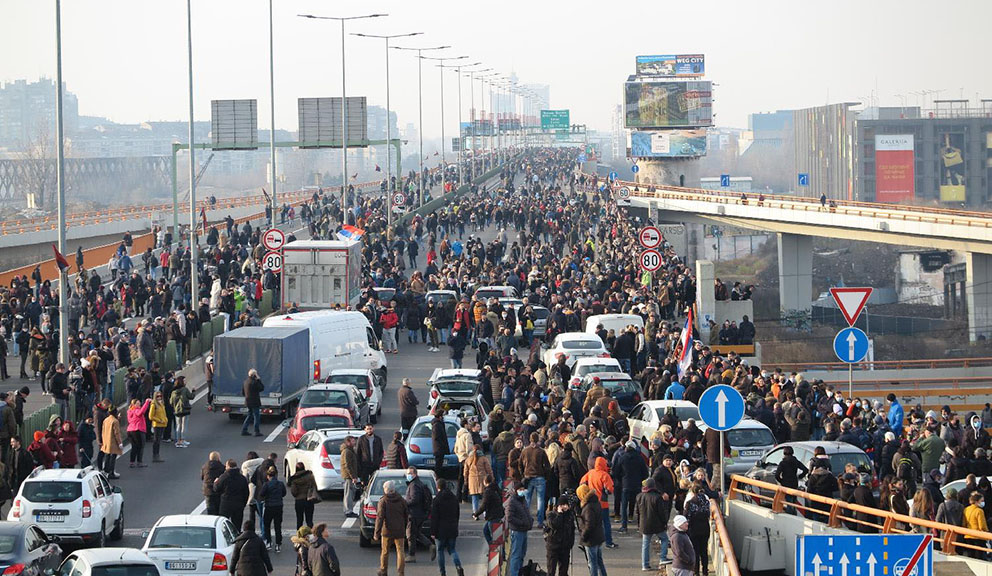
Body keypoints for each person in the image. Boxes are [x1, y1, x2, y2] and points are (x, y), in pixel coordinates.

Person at [580, 456, 617, 548]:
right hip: (603, 503)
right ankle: (608, 542)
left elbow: (582, 483)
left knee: (593, 523)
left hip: (591, 502)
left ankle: (593, 541)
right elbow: (610, 490)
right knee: (606, 523)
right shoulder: (605, 475)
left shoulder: (590, 473)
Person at [431, 479, 465, 576]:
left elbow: (434, 517)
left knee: (440, 550)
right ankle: (458, 566)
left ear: (438, 487)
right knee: (452, 550)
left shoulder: (437, 500)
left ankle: (443, 572)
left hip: (440, 530)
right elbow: (457, 514)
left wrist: (433, 532)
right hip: (452, 528)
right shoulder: (453, 498)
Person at [375, 480, 408, 576]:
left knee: (385, 551)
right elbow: (406, 514)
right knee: (400, 551)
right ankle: (401, 572)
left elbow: (380, 518)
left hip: (387, 530)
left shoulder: (383, 501)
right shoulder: (401, 500)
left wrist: (376, 533)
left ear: (385, 490)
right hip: (399, 530)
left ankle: (383, 570)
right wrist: (404, 526)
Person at [617, 440, 649, 533]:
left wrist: (622, 480)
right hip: (637, 485)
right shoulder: (640, 458)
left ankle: (624, 526)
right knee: (639, 506)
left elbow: (616, 472)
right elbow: (645, 473)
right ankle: (640, 526)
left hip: (625, 484)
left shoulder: (622, 458)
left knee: (624, 506)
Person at [638, 478, 669, 571]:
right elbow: (661, 513)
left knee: (645, 544)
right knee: (664, 539)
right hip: (657, 524)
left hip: (644, 524)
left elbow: (638, 511)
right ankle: (663, 558)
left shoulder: (639, 496)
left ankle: (645, 564)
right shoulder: (657, 497)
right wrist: (665, 523)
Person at [404, 467, 434, 563]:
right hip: (420, 514)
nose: (408, 475)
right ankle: (430, 545)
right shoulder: (418, 484)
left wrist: (405, 503)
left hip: (414, 514)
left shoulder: (414, 485)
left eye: (410, 473)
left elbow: (414, 499)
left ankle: (411, 555)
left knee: (410, 534)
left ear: (415, 474)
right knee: (416, 533)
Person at [577, 484, 608, 576]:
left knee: (592, 563)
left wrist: (583, 536)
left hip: (591, 539)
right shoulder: (595, 502)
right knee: (599, 561)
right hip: (598, 536)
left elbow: (589, 524)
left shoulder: (588, 507)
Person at [521, 431, 551, 527]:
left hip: (528, 477)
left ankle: (526, 520)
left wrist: (523, 474)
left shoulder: (525, 451)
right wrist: (546, 476)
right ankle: (540, 521)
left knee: (527, 500)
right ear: (538, 440)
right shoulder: (541, 451)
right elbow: (547, 466)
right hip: (540, 477)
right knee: (540, 500)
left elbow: (520, 464)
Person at [505, 481, 534, 576]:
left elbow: (525, 512)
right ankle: (515, 573)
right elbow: (509, 517)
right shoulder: (512, 501)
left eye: (523, 489)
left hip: (524, 530)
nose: (522, 491)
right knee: (516, 555)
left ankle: (519, 572)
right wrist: (522, 523)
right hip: (517, 531)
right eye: (520, 490)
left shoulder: (522, 499)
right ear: (516, 490)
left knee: (522, 554)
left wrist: (530, 520)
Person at [544, 493, 576, 576]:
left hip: (565, 547)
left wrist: (570, 543)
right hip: (553, 547)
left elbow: (572, 530)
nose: (565, 507)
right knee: (551, 571)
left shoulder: (570, 515)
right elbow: (554, 525)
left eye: (566, 505)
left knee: (564, 571)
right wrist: (560, 514)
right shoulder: (551, 514)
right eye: (562, 505)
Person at [215, 459, 250, 531]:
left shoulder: (224, 477)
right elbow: (246, 492)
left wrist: (215, 483)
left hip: (226, 504)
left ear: (228, 466)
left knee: (223, 524)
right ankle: (237, 540)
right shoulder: (242, 478)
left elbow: (217, 489)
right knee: (237, 526)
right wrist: (243, 503)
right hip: (238, 504)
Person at [685, 484, 711, 576]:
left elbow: (687, 517)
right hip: (705, 528)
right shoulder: (706, 502)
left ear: (692, 492)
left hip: (694, 529)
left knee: (695, 551)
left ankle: (696, 571)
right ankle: (705, 571)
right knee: (704, 550)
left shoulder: (690, 503)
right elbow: (708, 514)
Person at [258, 466, 286, 552]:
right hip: (278, 506)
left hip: (269, 506)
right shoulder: (280, 484)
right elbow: (284, 493)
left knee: (267, 525)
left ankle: (269, 542)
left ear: (268, 476)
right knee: (278, 526)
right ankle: (278, 544)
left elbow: (261, 494)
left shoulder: (266, 484)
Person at [473, 475, 504, 545]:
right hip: (498, 513)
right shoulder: (495, 488)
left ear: (485, 482)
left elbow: (484, 505)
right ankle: (493, 548)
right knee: (486, 530)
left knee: (494, 536)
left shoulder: (488, 491)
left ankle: (495, 550)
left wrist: (476, 514)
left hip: (493, 516)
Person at [288, 462, 319, 529]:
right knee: (309, 520)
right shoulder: (310, 475)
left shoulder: (294, 479)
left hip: (299, 501)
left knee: (299, 520)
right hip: (309, 499)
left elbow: (294, 492)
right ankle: (310, 534)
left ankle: (300, 534)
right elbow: (315, 486)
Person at [464, 443, 492, 512]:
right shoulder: (483, 458)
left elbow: (465, 471)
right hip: (483, 479)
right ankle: (485, 513)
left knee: (474, 497)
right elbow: (488, 469)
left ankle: (475, 513)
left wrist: (466, 480)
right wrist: (492, 478)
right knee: (484, 498)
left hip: (472, 479)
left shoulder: (468, 459)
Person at [126, 398, 151, 468]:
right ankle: (139, 462)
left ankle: (132, 462)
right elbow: (141, 413)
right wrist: (147, 403)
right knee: (141, 446)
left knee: (134, 447)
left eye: (139, 403)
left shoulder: (129, 411)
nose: (139, 404)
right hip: (138, 430)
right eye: (137, 403)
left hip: (130, 430)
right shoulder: (136, 410)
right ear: (133, 404)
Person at [962, 492, 988, 559]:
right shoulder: (979, 511)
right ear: (976, 502)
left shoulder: (966, 509)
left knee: (970, 556)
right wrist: (987, 532)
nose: (983, 502)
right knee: (979, 556)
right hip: (978, 537)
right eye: (981, 501)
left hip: (968, 535)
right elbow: (982, 526)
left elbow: (964, 523)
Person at [100, 405, 123, 479]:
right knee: (113, 457)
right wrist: (120, 443)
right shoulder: (115, 421)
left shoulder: (106, 420)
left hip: (106, 441)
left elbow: (103, 431)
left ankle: (106, 470)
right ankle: (111, 472)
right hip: (113, 442)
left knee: (107, 456)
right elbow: (117, 433)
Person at [340, 435, 359, 518]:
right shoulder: (347, 451)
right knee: (348, 493)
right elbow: (347, 465)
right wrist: (353, 477)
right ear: (348, 442)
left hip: (350, 476)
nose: (354, 442)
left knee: (350, 493)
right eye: (352, 441)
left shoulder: (350, 450)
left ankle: (348, 509)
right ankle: (348, 511)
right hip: (348, 476)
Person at [170, 375, 192, 447]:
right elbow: (191, 396)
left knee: (178, 426)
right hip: (185, 410)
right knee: (183, 426)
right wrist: (194, 391)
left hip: (177, 411)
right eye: (184, 380)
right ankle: (182, 440)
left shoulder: (173, 392)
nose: (185, 382)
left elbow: (171, 402)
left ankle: (178, 441)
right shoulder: (185, 390)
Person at [242, 369, 264, 437]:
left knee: (249, 415)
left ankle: (244, 429)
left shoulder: (245, 382)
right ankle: (256, 431)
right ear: (254, 375)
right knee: (256, 416)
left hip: (248, 402)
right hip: (255, 402)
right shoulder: (255, 382)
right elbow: (261, 388)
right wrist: (259, 379)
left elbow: (243, 393)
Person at [202, 451, 226, 516]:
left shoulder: (205, 466)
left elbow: (202, 477)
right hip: (218, 491)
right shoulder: (222, 467)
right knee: (219, 510)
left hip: (208, 491)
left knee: (210, 511)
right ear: (218, 458)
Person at [149, 391, 168, 463]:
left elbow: (164, 413)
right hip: (157, 425)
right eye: (157, 396)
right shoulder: (154, 405)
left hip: (163, 424)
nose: (159, 397)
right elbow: (150, 416)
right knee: (156, 440)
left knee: (159, 440)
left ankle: (157, 454)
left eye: (160, 396)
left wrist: (165, 420)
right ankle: (155, 455)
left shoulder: (161, 404)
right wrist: (159, 420)